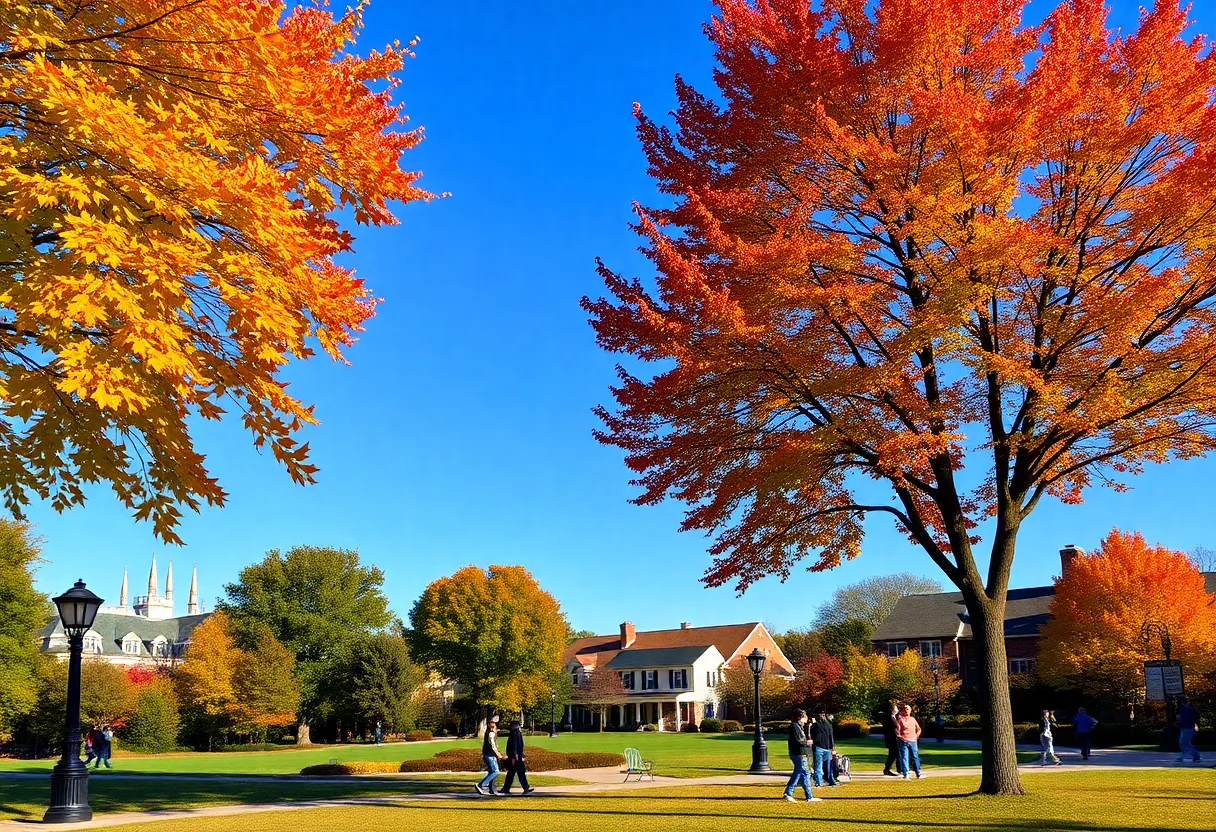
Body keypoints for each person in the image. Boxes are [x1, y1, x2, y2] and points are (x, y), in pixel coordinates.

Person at [781, 709, 821, 803]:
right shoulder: (795, 726)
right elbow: (798, 740)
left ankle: (809, 795)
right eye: (804, 716)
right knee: (799, 772)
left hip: (800, 753)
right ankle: (788, 793)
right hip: (798, 753)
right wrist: (807, 743)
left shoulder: (798, 726)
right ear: (799, 716)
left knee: (804, 773)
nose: (805, 718)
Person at [500, 719, 535, 795]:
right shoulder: (515, 733)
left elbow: (516, 745)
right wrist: (515, 755)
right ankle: (524, 787)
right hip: (515, 756)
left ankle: (508, 788)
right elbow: (515, 745)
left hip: (515, 756)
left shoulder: (515, 733)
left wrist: (516, 755)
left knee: (514, 772)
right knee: (516, 772)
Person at [474, 715, 506, 795]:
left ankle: (492, 789)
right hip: (490, 755)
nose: (494, 725)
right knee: (495, 771)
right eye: (492, 723)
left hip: (489, 754)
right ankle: (481, 785)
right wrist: (498, 754)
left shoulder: (491, 732)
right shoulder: (491, 733)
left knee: (492, 771)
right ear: (489, 724)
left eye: (494, 723)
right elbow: (493, 746)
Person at [809, 708, 838, 787]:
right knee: (828, 766)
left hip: (819, 747)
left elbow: (812, 736)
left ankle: (819, 782)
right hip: (827, 747)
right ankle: (830, 780)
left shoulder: (815, 725)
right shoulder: (829, 725)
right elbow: (831, 737)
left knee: (818, 766)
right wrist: (832, 747)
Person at [895, 704, 923, 780]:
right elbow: (897, 730)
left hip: (913, 741)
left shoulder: (913, 719)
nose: (906, 711)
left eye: (908, 709)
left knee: (915, 756)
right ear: (902, 711)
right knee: (904, 757)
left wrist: (916, 735)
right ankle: (906, 773)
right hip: (903, 741)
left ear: (910, 711)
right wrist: (900, 736)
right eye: (905, 710)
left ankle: (918, 773)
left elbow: (919, 729)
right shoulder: (900, 720)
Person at [1176, 696, 1202, 763]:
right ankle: (1188, 756)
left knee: (1184, 743)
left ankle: (1196, 756)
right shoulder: (1182, 710)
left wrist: (1194, 725)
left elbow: (1195, 718)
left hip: (1188, 728)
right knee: (1184, 743)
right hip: (1185, 728)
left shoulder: (1189, 709)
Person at [881, 703, 900, 776]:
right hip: (892, 740)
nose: (897, 710)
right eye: (896, 708)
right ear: (892, 710)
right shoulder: (890, 718)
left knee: (895, 754)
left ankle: (898, 768)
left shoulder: (893, 718)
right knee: (893, 754)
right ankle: (887, 769)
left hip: (892, 739)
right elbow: (895, 727)